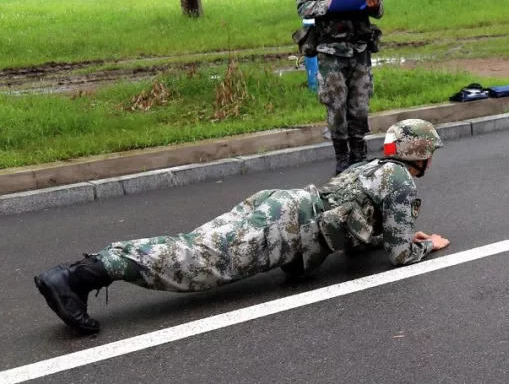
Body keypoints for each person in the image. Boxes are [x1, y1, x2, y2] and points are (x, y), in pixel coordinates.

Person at [33, 119, 449, 335]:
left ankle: (81, 275)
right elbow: (399, 255)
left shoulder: (371, 167)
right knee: (201, 262)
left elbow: (352, 222)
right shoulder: (400, 181)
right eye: (431, 152)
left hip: (281, 204)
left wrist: (381, 235)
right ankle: (77, 277)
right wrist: (426, 244)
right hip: (289, 224)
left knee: (196, 245)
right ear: (421, 153)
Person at [297, 0, 384, 174]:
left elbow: (379, 10)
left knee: (360, 105)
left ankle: (359, 154)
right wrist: (330, 4)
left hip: (359, 49)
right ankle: (342, 157)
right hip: (330, 51)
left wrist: (375, 3)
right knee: (335, 105)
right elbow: (303, 8)